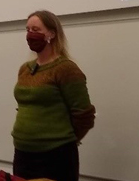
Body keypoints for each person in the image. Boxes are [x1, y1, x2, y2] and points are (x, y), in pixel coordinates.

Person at [12, 10, 95, 181]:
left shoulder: (66, 69)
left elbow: (84, 115)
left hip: (54, 156)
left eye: (36, 29)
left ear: (51, 33)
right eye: (27, 30)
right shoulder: (25, 69)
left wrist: (64, 140)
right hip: (22, 153)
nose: (30, 35)